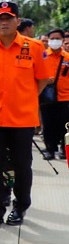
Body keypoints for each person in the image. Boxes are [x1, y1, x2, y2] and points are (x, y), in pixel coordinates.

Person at [0, 1, 50, 229]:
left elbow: (43, 79)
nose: (4, 22)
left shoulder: (34, 47)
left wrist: (26, 99)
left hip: (22, 120)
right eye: (0, 18)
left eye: (9, 18)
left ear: (18, 21)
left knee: (22, 165)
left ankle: (20, 206)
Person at [39, 28, 68, 160]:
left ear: (62, 40)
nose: (54, 41)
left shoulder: (67, 57)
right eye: (52, 38)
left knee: (64, 125)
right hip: (47, 97)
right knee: (48, 124)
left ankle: (63, 149)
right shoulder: (43, 55)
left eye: (57, 38)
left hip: (64, 97)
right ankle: (50, 149)